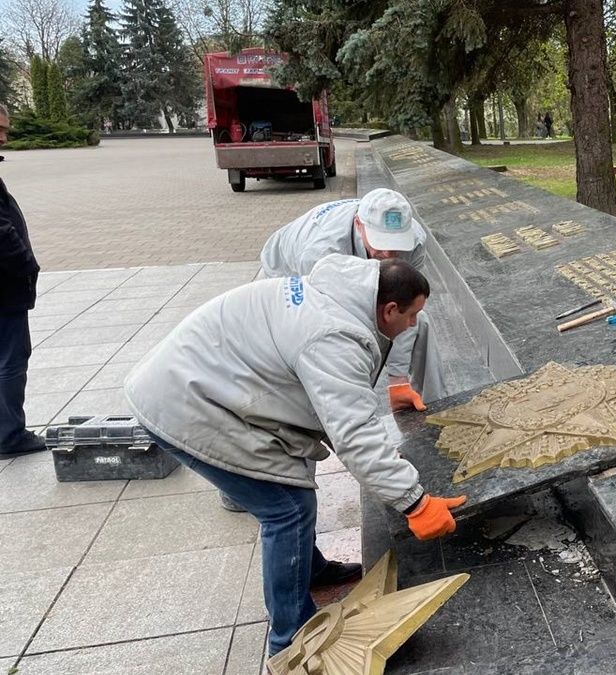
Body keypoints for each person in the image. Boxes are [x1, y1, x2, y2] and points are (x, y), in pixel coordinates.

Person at [124, 255, 466, 656]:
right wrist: (415, 502)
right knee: (287, 508)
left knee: (291, 485)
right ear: (389, 308)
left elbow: (342, 414)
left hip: (205, 381)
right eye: (411, 316)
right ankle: (291, 640)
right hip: (187, 404)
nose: (412, 325)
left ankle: (309, 569)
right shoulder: (334, 336)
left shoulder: (341, 292)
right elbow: (353, 434)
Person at [260, 188, 444, 410]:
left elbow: (405, 308)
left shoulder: (414, 241)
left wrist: (397, 379)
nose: (389, 254)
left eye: (396, 244)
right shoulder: (321, 250)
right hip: (287, 276)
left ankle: (437, 406)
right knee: (322, 343)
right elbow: (332, 333)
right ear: (359, 225)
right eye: (381, 242)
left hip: (337, 261)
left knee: (419, 320)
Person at [0, 102, 47, 458]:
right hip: (5, 287)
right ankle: (9, 436)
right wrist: (25, 263)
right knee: (11, 360)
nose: (4, 138)